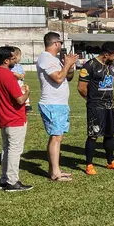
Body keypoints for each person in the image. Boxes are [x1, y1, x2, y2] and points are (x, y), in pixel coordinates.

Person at [0, 46, 32, 191]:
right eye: (13, 59)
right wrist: (27, 93)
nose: (15, 61)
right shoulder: (8, 75)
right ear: (6, 61)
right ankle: (12, 181)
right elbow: (20, 100)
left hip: (3, 116)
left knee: (6, 149)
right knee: (14, 150)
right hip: (14, 117)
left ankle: (4, 179)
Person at [36, 32, 78, 181]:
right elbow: (58, 78)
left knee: (57, 136)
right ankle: (55, 172)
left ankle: (54, 169)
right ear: (55, 43)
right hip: (52, 104)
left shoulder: (54, 59)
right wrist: (66, 64)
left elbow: (68, 77)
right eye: (60, 42)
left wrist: (70, 67)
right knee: (56, 137)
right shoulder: (46, 58)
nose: (61, 45)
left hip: (59, 104)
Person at [78, 41, 114, 174]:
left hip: (110, 105)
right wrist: (92, 100)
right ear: (105, 54)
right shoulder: (90, 66)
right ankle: (89, 165)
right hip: (96, 106)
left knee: (110, 133)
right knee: (93, 135)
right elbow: (81, 88)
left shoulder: (111, 65)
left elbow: (112, 82)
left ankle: (111, 161)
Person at [9, 47, 31, 113]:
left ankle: (27, 105)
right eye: (19, 56)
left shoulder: (19, 66)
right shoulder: (9, 66)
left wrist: (20, 76)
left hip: (20, 82)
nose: (20, 58)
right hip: (13, 82)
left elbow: (23, 74)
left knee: (23, 91)